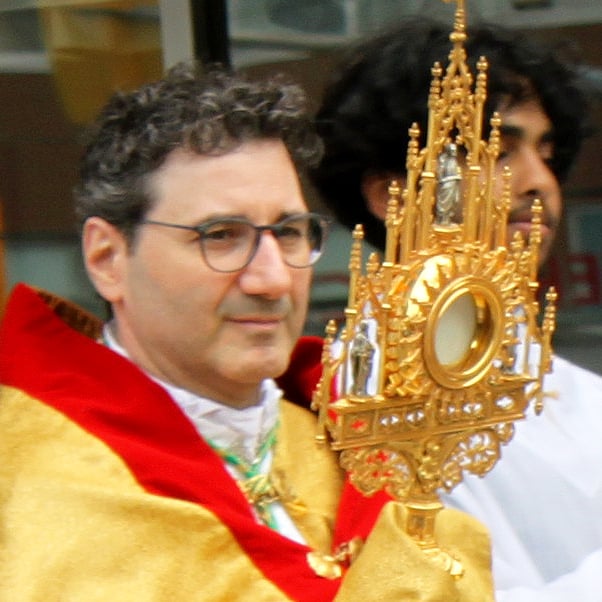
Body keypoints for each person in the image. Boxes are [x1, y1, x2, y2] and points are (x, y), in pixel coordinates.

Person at [0, 63, 494, 600]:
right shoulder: (29, 483)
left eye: (287, 232)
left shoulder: (357, 441)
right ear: (108, 258)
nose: (273, 278)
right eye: (221, 236)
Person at [285, 17, 602, 602]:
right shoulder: (353, 406)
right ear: (390, 195)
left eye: (547, 153)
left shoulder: (579, 391)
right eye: (500, 151)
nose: (538, 183)